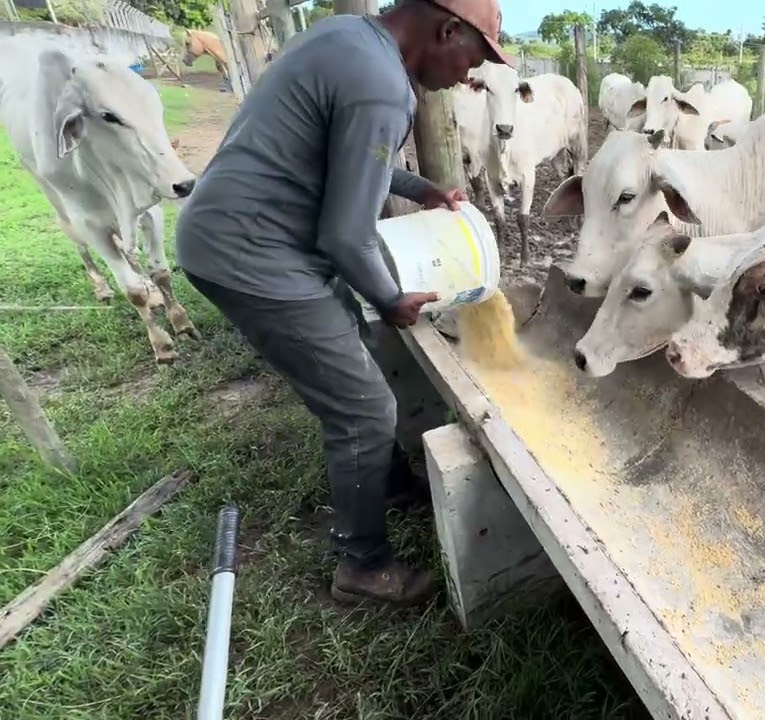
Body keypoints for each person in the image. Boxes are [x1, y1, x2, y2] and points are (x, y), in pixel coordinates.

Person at [175, 0, 515, 606]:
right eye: (475, 56)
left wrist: (423, 189)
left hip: (238, 231)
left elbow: (350, 159)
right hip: (255, 254)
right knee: (361, 407)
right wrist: (391, 299)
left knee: (347, 350)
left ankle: (383, 480)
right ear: (447, 30)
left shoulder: (345, 40)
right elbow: (345, 237)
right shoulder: (384, 88)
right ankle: (363, 565)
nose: (469, 74)